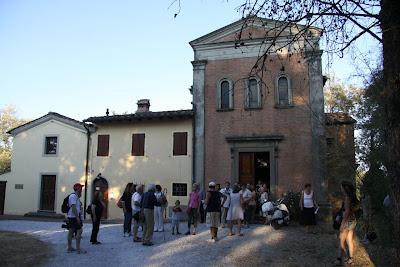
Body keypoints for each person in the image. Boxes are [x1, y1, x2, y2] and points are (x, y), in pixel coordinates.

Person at [334, 181, 359, 266]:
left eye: (341, 187)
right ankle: (351, 259)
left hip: (347, 221)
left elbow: (347, 211)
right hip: (352, 220)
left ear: (344, 188)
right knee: (349, 240)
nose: (340, 188)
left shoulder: (347, 198)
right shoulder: (352, 197)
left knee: (341, 240)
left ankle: (338, 259)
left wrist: (342, 224)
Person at [67, 183, 86, 254]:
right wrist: (77, 217)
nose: (81, 189)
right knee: (79, 231)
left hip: (73, 217)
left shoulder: (76, 196)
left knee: (71, 231)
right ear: (78, 188)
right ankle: (78, 249)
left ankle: (69, 248)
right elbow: (74, 207)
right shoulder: (73, 196)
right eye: (81, 188)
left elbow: (77, 207)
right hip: (74, 217)